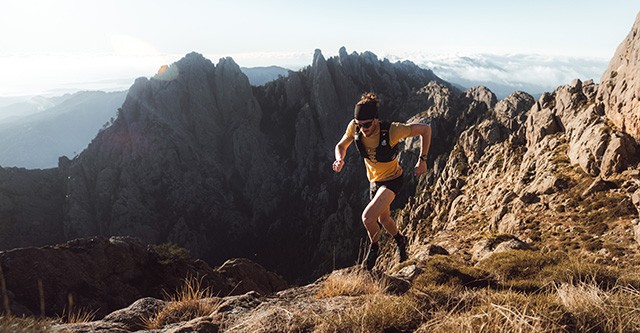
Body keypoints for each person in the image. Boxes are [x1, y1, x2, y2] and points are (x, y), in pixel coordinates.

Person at [332, 92, 431, 271]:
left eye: (367, 124)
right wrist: (340, 159)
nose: (363, 128)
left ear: (376, 120)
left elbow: (425, 129)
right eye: (360, 125)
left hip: (393, 180)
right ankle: (401, 240)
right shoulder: (355, 127)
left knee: (367, 218)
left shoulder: (392, 130)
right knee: (384, 219)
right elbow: (341, 146)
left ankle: (374, 246)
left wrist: (422, 160)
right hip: (375, 182)